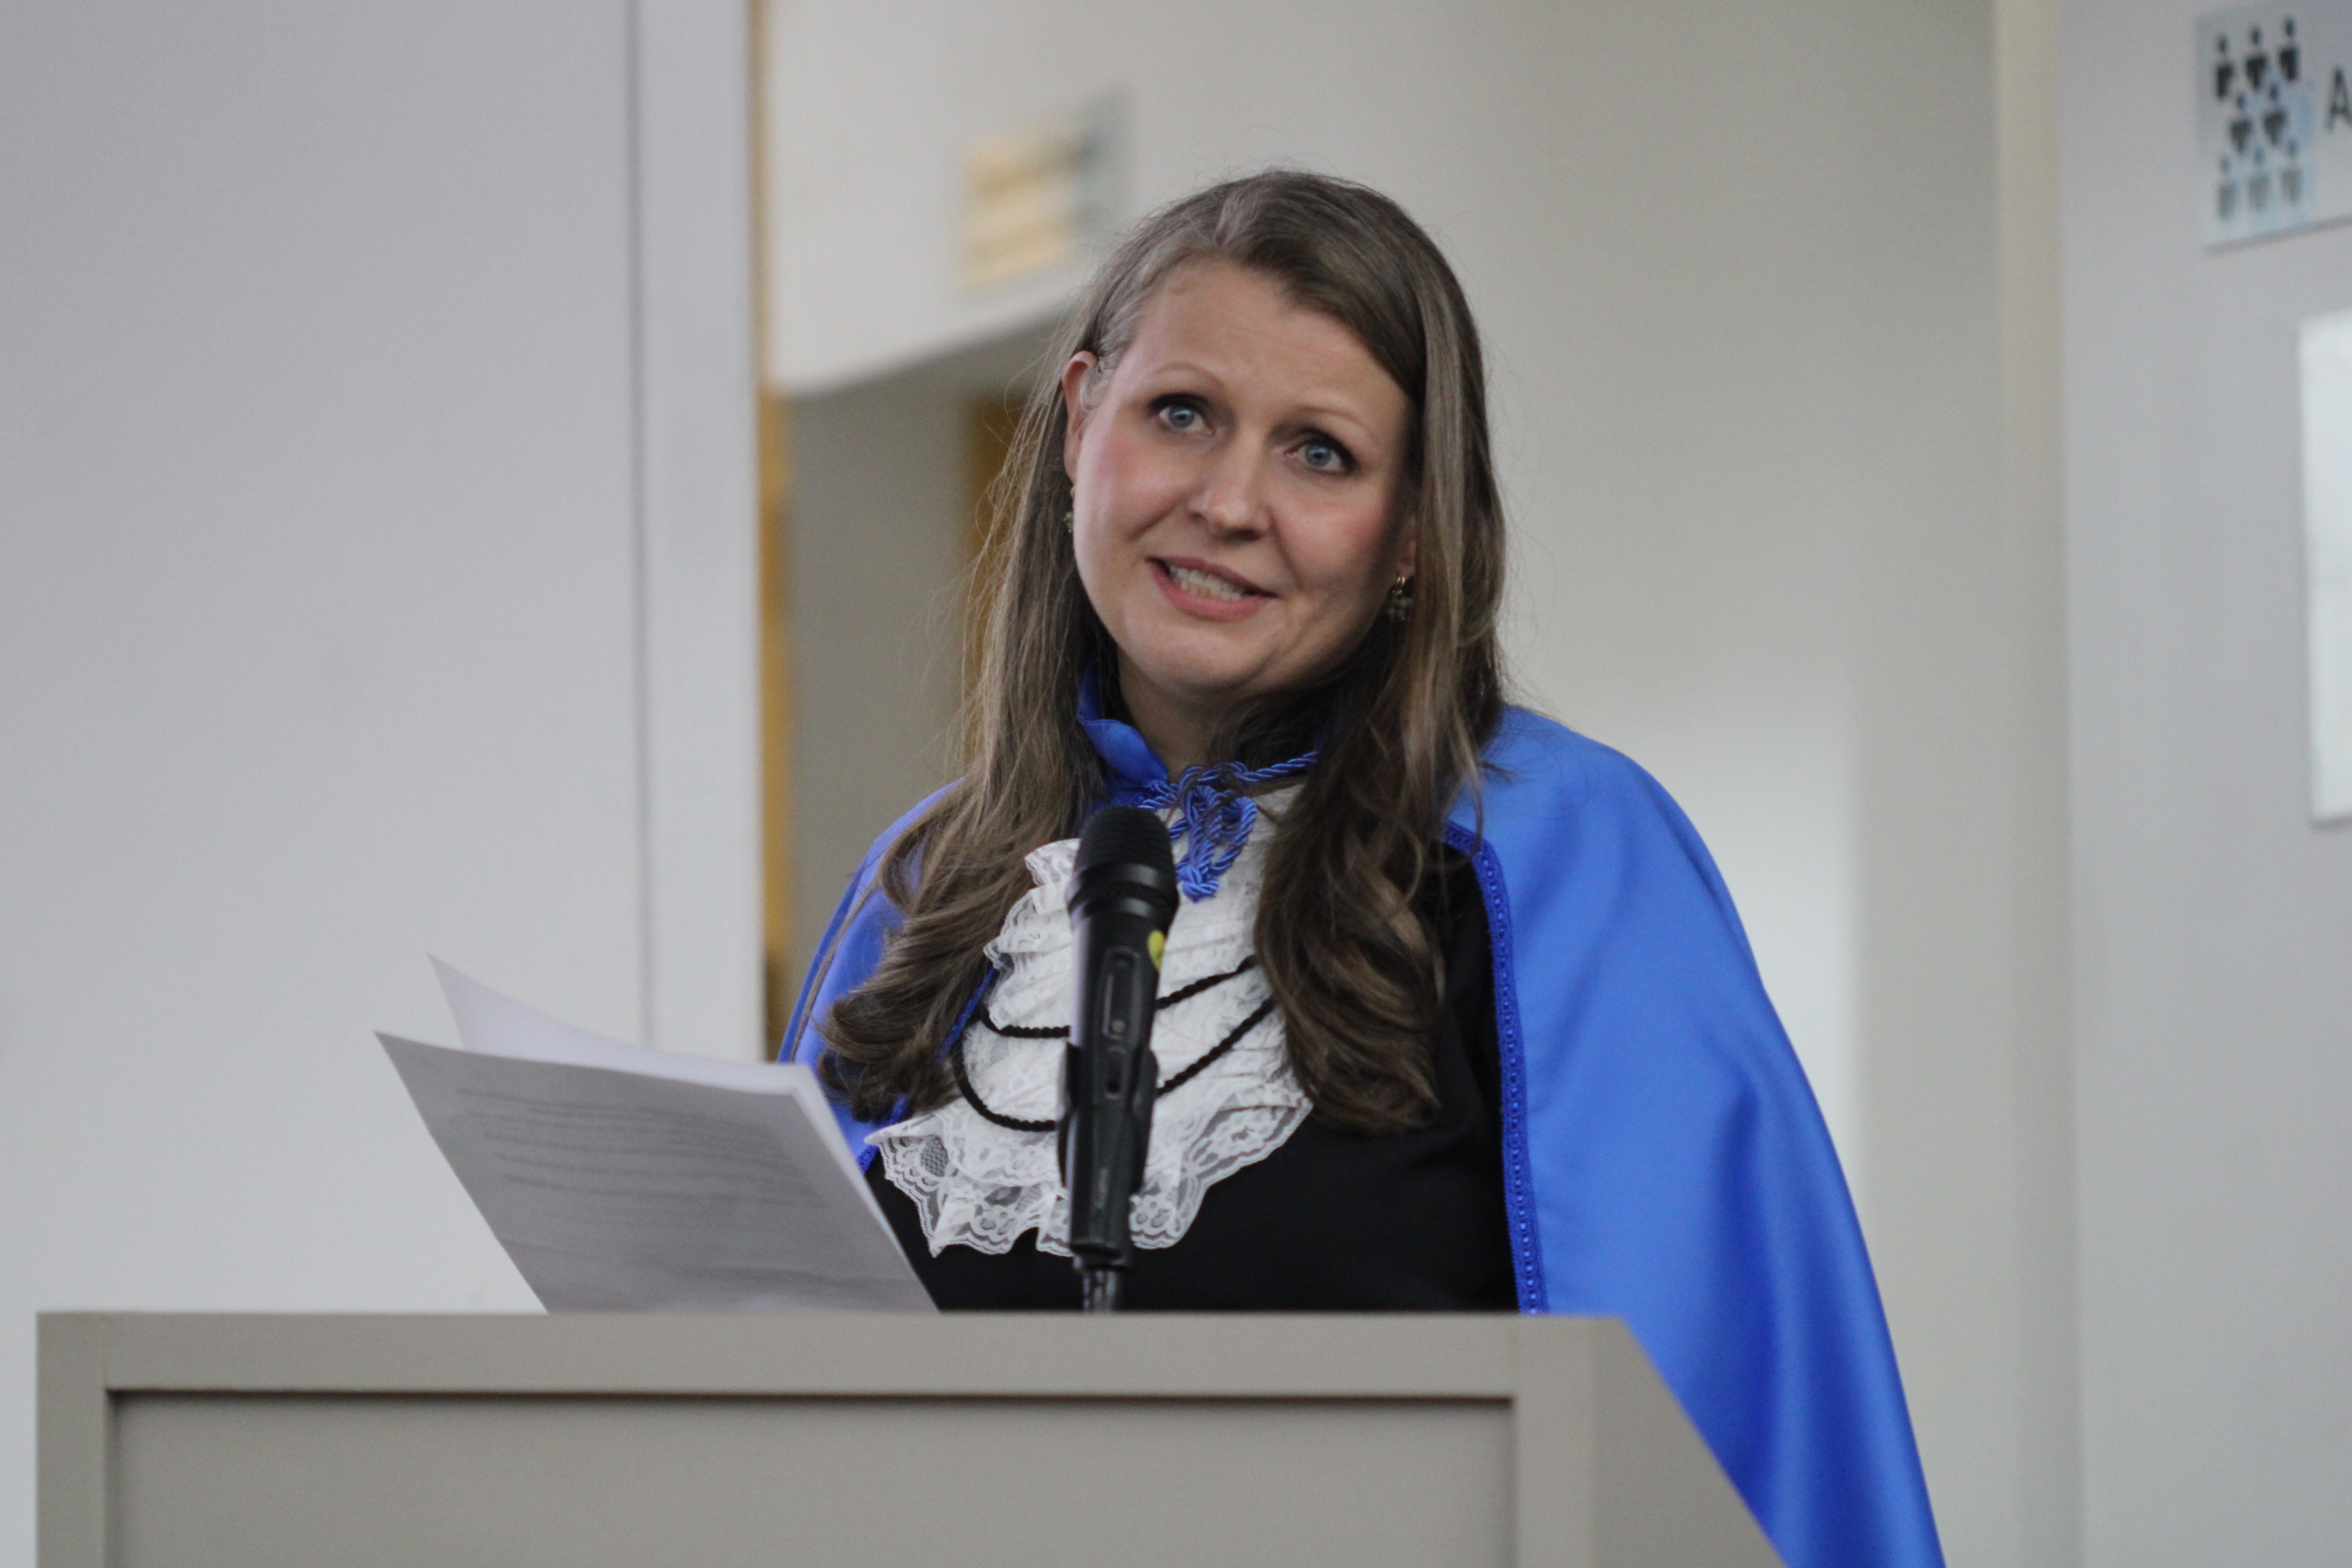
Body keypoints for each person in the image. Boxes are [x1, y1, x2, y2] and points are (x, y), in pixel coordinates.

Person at [785, 171, 1943, 1568]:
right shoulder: (929, 880)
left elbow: (1708, 1428)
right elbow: (765, 1400)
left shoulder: (1564, 852)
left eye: (1321, 453)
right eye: (1182, 414)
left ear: (1411, 533)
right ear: (1083, 420)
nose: (1229, 502)